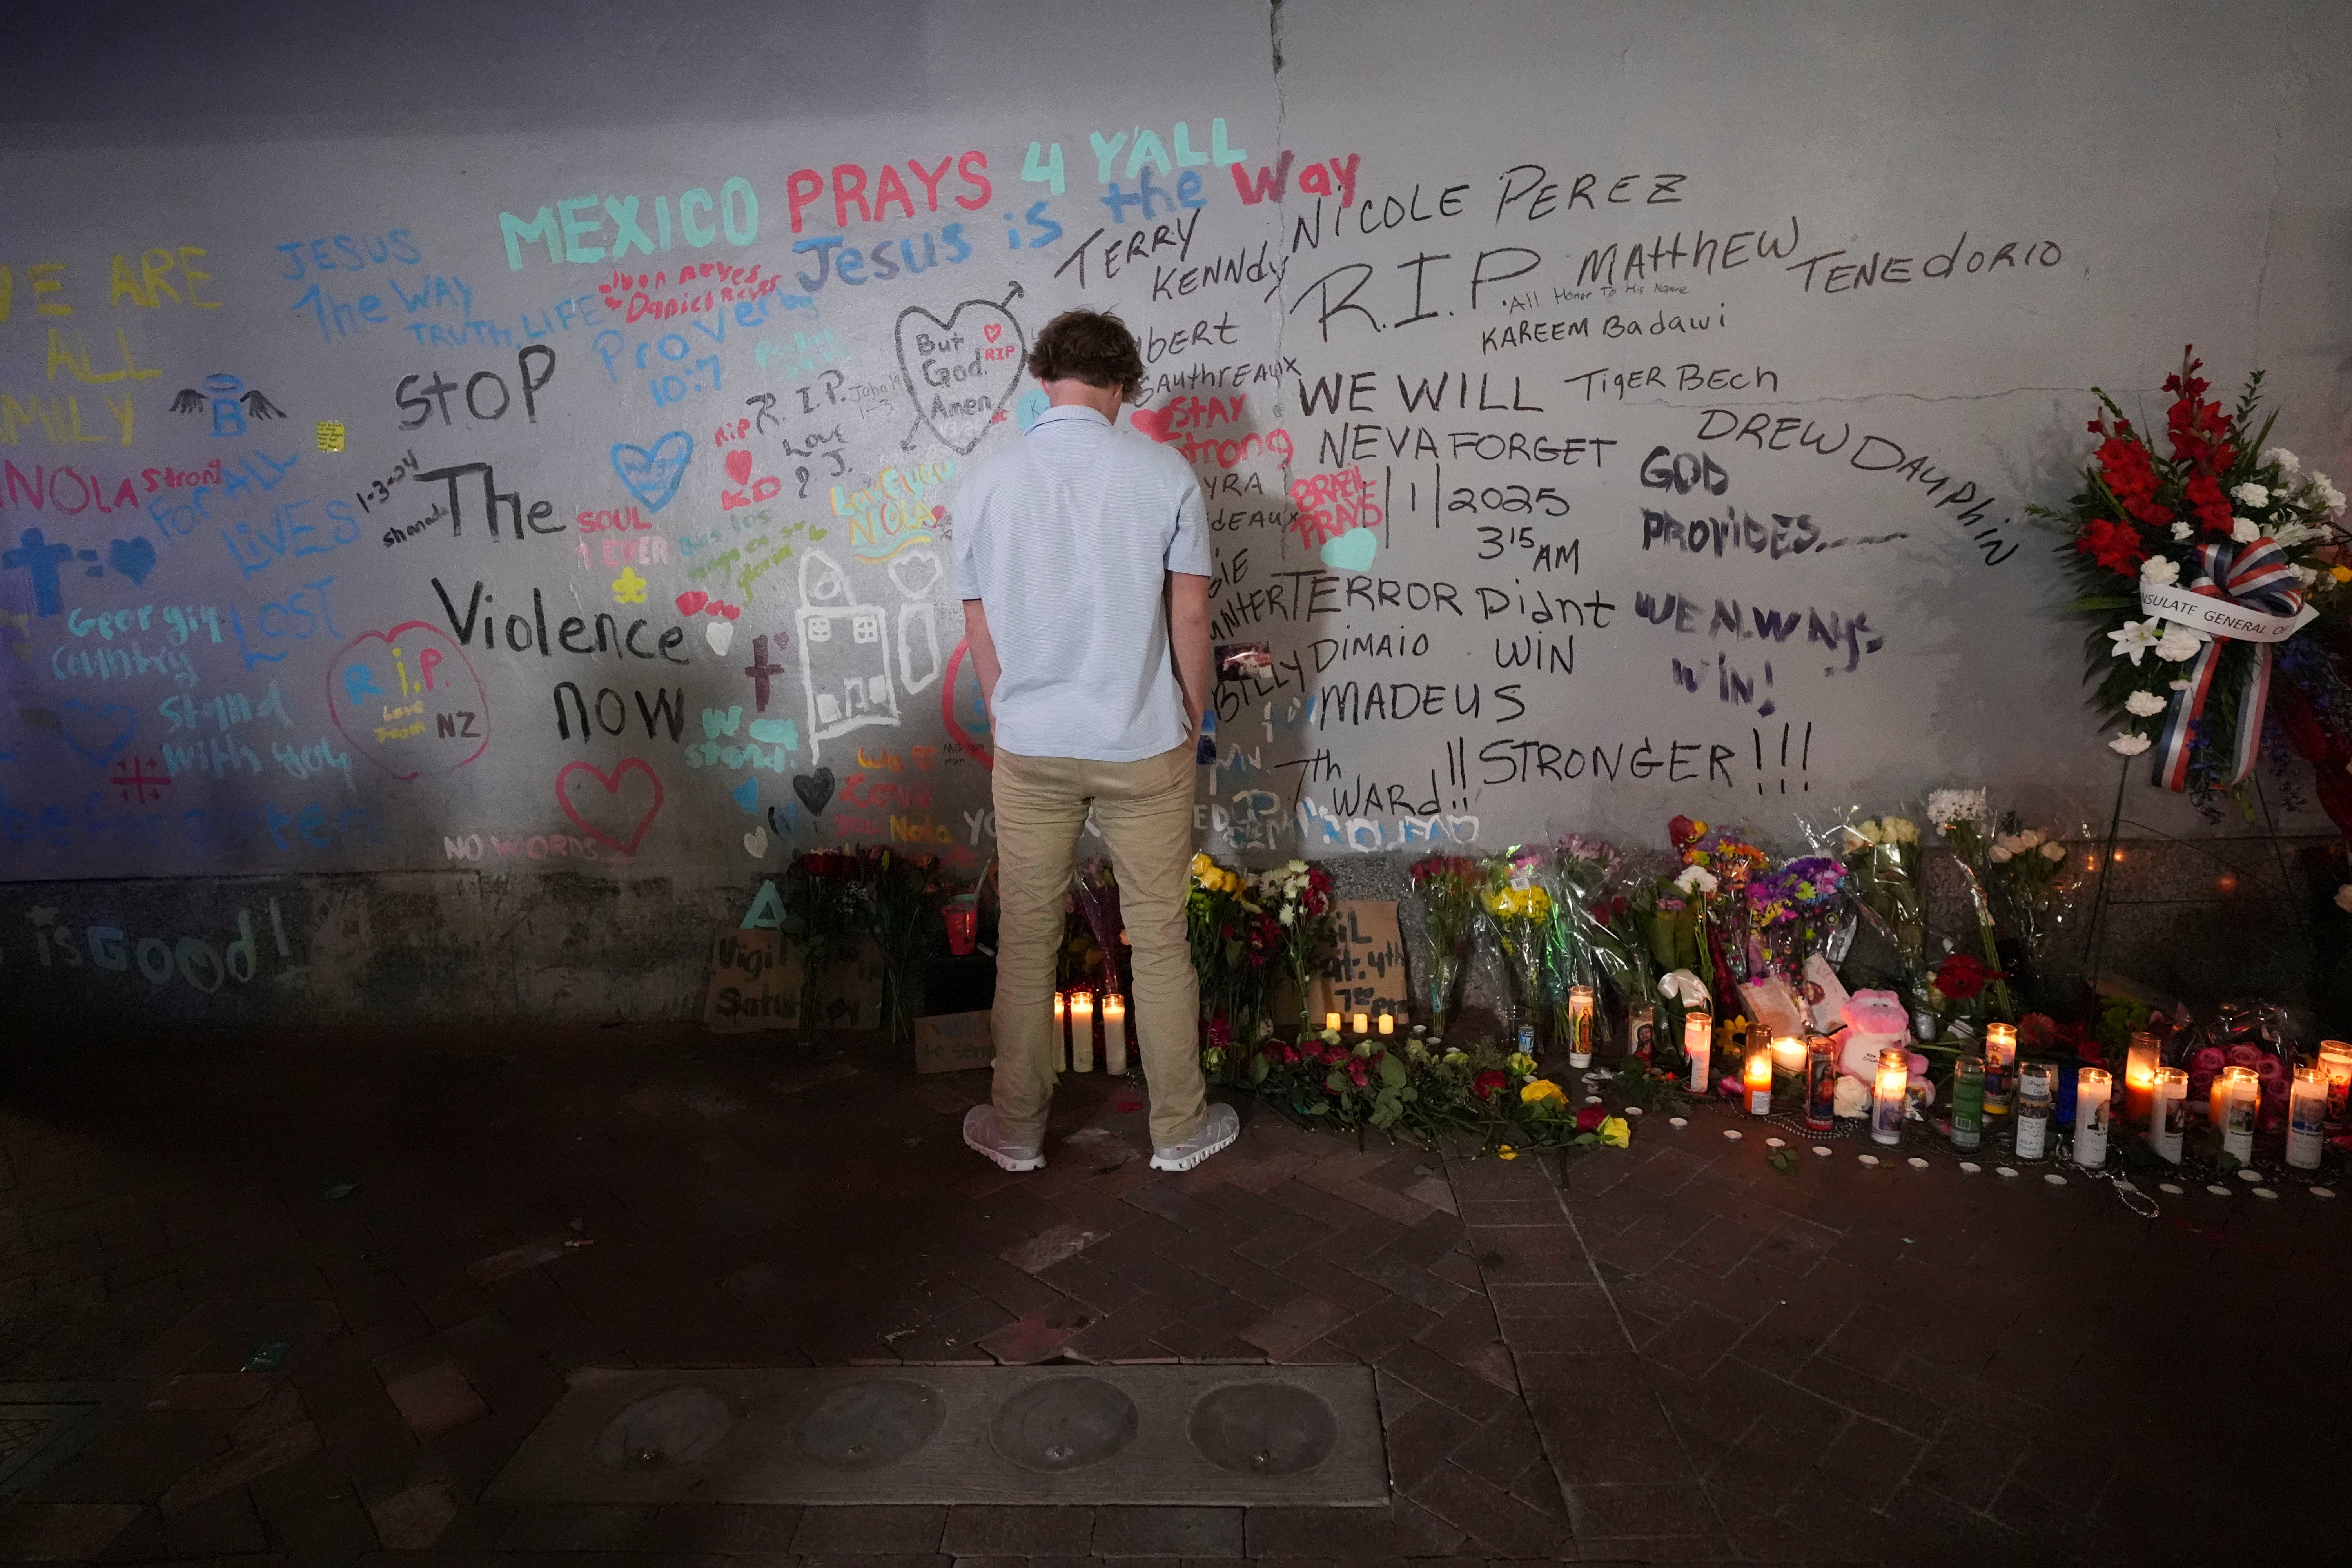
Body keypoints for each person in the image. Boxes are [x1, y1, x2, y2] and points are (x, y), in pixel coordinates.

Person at [949, 309, 1238, 1174]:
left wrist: (1008, 708)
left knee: (1029, 936)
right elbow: (1189, 611)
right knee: (1158, 940)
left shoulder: (986, 478)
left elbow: (978, 615)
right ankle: (1179, 1129)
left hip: (1033, 742)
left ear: (1044, 378)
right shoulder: (1164, 471)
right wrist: (1190, 716)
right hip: (1140, 741)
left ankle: (1017, 1129)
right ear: (1122, 385)